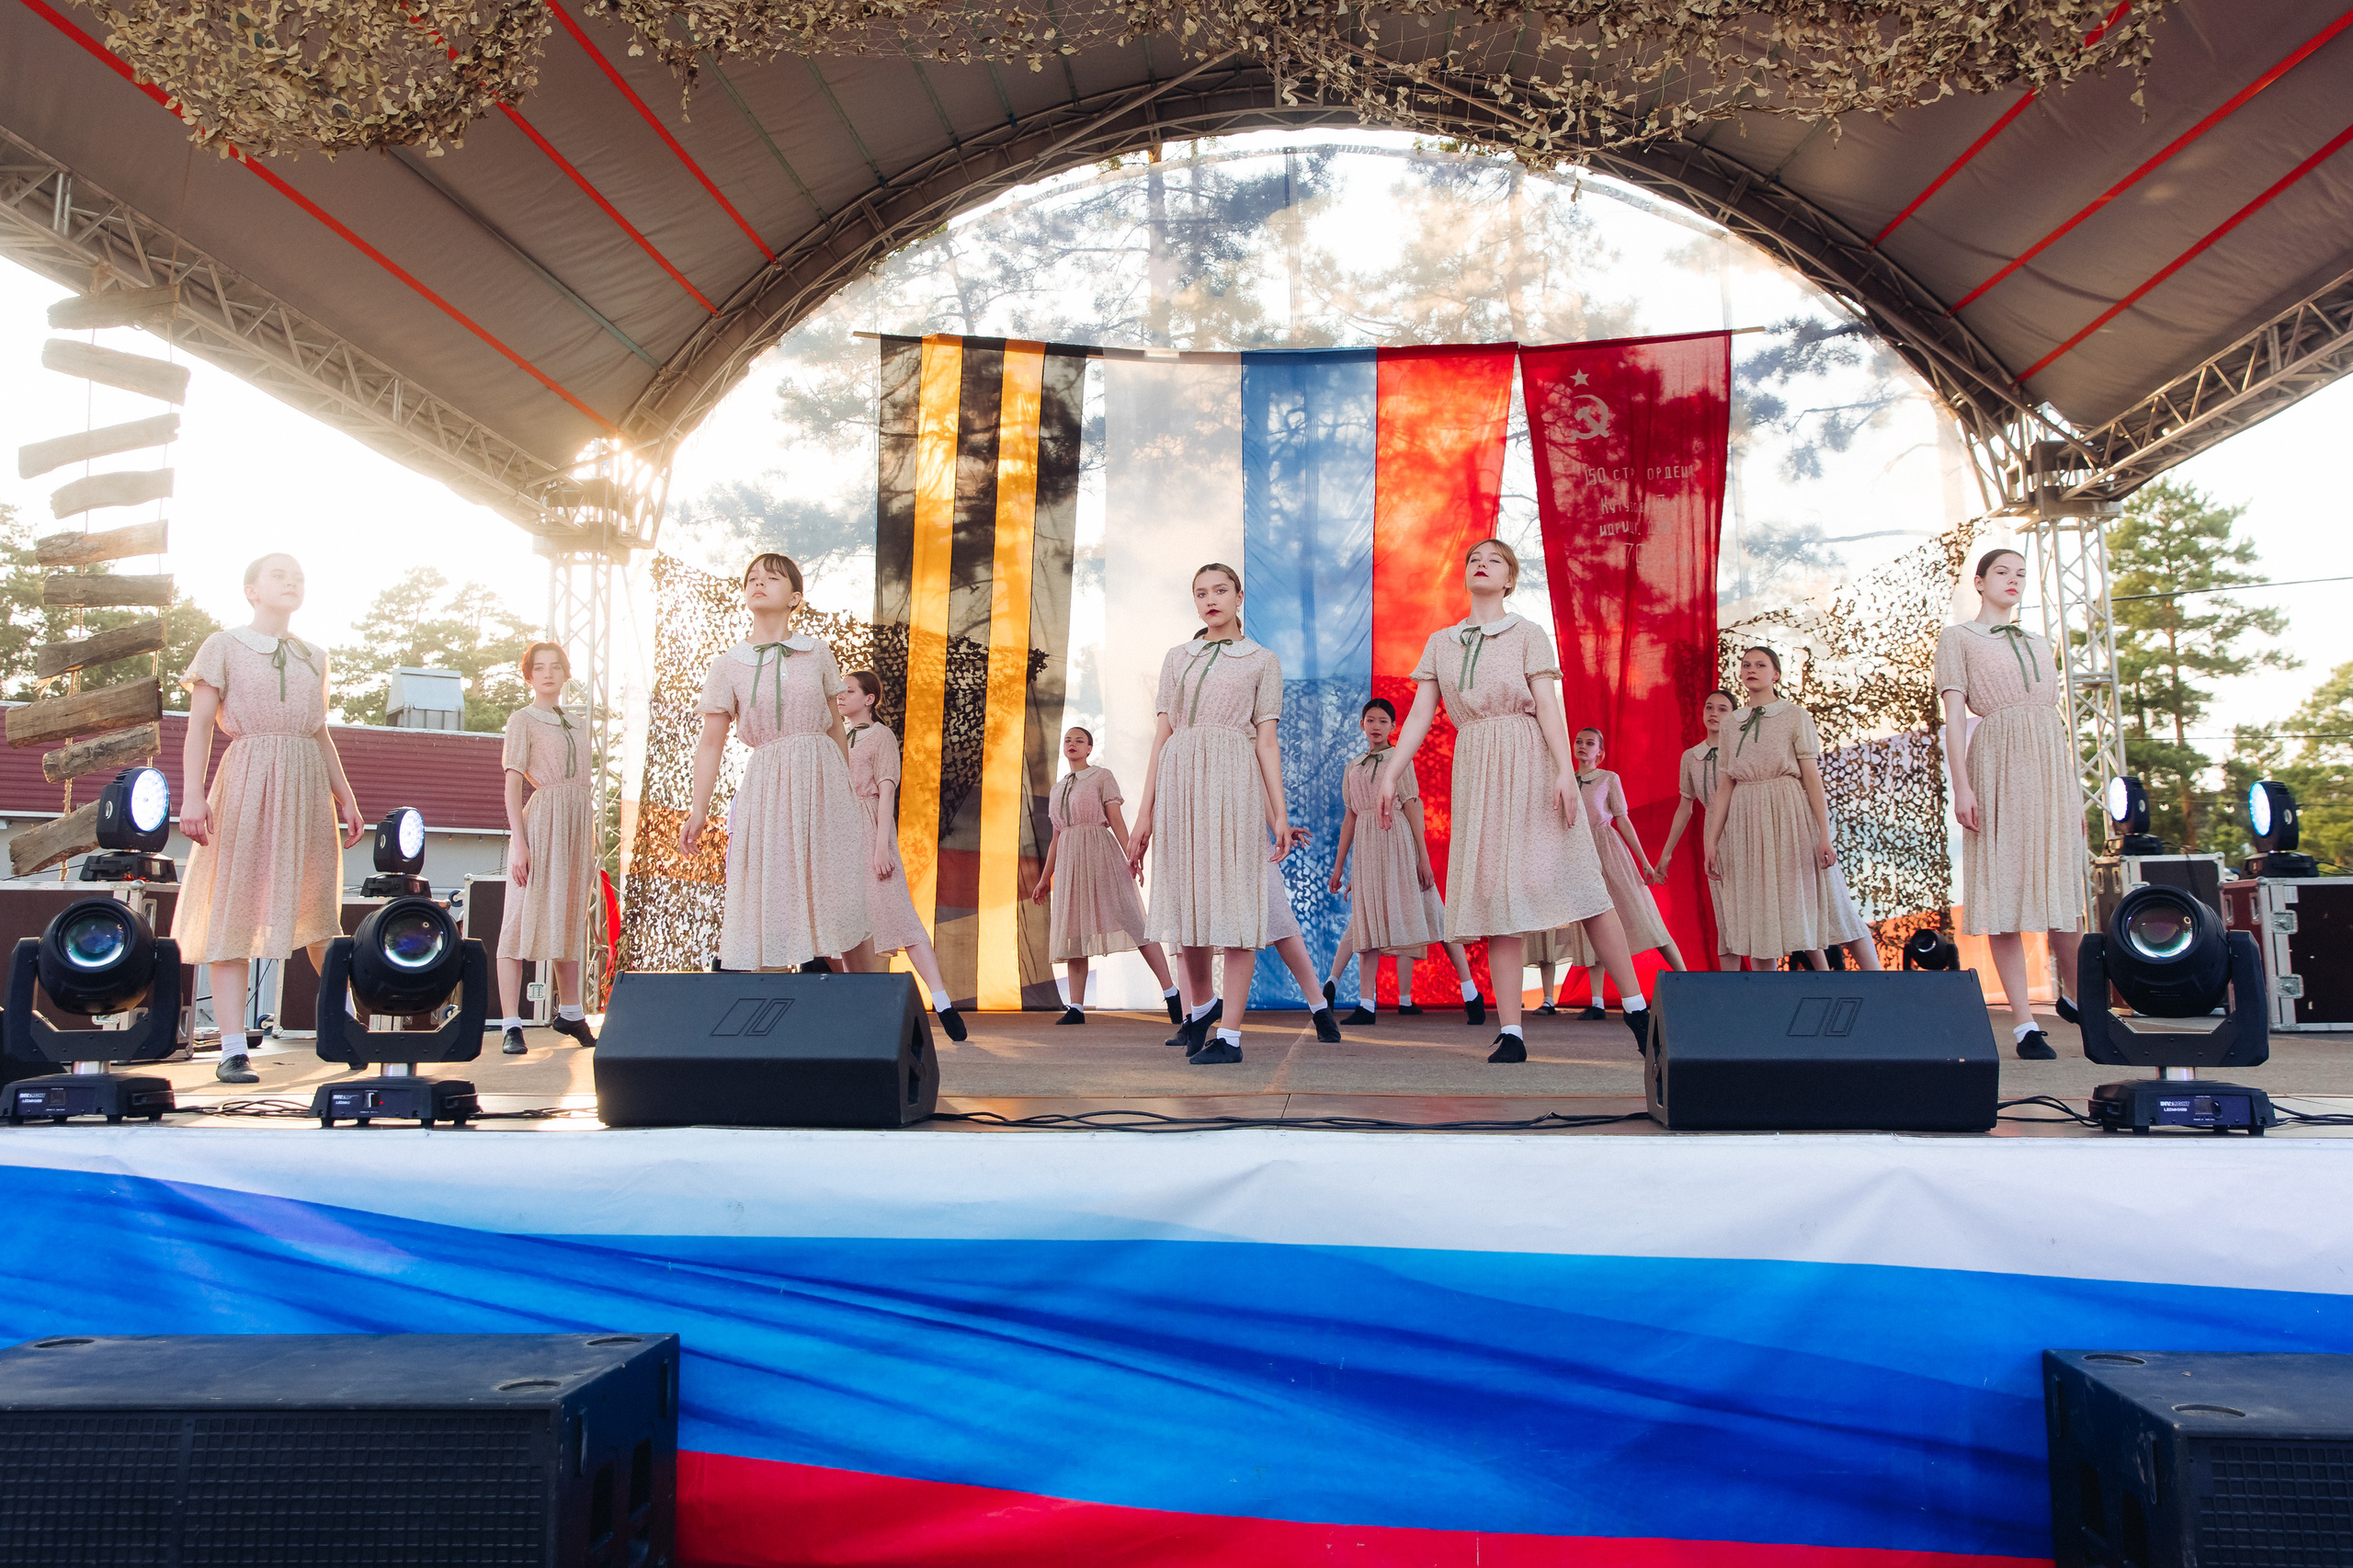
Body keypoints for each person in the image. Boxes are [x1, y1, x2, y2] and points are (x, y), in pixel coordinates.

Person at [1378, 539, 1654, 1062]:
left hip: (1530, 759)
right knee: (1496, 893)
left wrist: (1567, 775)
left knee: (1580, 881)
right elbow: (1419, 716)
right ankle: (1512, 1033)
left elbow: (1549, 707)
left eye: (1495, 559)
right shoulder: (1442, 641)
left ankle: (1638, 1009)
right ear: (1465, 574)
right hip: (1478, 765)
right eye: (1473, 559)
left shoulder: (1527, 633)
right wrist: (1392, 771)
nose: (1481, 564)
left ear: (1509, 579)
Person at [176, 553, 368, 1084]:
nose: (292, 581)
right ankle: (232, 1047)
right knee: (234, 902)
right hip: (248, 777)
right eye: (278, 574)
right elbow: (199, 729)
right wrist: (193, 797)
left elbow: (318, 730)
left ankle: (344, 1023)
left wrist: (345, 796)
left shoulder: (315, 656)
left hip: (307, 786)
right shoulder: (223, 645)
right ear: (251, 590)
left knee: (317, 910)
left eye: (298, 576)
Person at [1126, 563, 1299, 1065]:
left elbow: (1266, 740)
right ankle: (1201, 1007)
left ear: (1239, 596)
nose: (1210, 599)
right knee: (1188, 901)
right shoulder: (1176, 657)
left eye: (1220, 590)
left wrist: (1279, 815)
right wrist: (1145, 814)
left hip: (1232, 779)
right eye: (1200, 592)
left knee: (1237, 901)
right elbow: (1162, 735)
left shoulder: (1262, 660)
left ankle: (1231, 1037)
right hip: (1180, 781)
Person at [679, 553, 875, 975]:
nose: (758, 582)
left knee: (841, 894)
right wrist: (699, 808)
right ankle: (770, 1022)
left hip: (823, 782)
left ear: (796, 597)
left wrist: (845, 786)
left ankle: (871, 1014)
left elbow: (834, 727)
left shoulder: (818, 652)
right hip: (768, 784)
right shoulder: (727, 664)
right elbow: (711, 744)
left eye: (772, 577)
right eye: (751, 577)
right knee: (771, 896)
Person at [1937, 547, 2085, 1059]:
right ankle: (2025, 1024)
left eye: (2021, 574)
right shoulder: (1958, 637)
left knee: (2062, 889)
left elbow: (2054, 723)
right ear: (1979, 582)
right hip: (1997, 761)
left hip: (2047, 765)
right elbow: (1955, 719)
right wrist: (1963, 786)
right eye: (2002, 572)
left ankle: (2084, 1001)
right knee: (2005, 890)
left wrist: (2072, 791)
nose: (2013, 580)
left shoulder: (2040, 642)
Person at [1704, 647, 1882, 973]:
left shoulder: (1795, 715)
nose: (1751, 669)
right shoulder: (1731, 724)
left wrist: (1825, 835)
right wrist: (1712, 840)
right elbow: (1725, 783)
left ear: (1776, 674)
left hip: (1789, 812)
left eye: (1761, 665)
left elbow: (1812, 778)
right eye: (1746, 665)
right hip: (1746, 818)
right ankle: (1768, 1002)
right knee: (1758, 907)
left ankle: (1883, 985)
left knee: (1829, 899)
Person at [1322, 698, 1483, 1027]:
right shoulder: (1353, 767)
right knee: (1366, 923)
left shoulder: (1400, 758)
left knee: (1435, 916)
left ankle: (1470, 992)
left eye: (1383, 721)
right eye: (1371, 720)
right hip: (1368, 848)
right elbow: (1350, 818)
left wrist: (1423, 858)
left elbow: (1411, 805)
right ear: (1362, 724)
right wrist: (1340, 867)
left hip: (1399, 843)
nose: (1376, 726)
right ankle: (1367, 1005)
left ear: (1393, 727)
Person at [836, 670, 969, 1040]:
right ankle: (859, 1010)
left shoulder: (881, 736)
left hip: (869, 827)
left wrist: (881, 846)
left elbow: (886, 792)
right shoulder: (833, 737)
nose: (841, 696)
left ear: (870, 699)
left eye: (850, 691)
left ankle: (942, 1002)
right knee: (846, 924)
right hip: (839, 836)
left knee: (899, 916)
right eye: (839, 690)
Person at [1029, 725, 1181, 1025]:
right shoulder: (1058, 788)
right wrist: (1045, 878)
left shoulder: (1101, 776)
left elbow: (1117, 821)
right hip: (1071, 863)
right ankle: (1076, 1007)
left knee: (1135, 921)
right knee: (1073, 931)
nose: (1072, 744)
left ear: (1089, 748)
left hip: (1100, 854)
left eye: (1079, 740)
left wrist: (1132, 856)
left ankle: (1171, 992)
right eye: (1068, 740)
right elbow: (1057, 838)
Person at [494, 642, 597, 1054]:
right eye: (539, 668)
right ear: (529, 675)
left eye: (556, 667)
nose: (548, 674)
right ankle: (511, 1023)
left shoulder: (577, 722)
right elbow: (512, 784)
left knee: (567, 914)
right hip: (542, 822)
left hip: (576, 823)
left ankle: (571, 1013)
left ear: (566, 673)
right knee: (518, 920)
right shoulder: (522, 720)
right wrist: (519, 842)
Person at [1552, 726, 1687, 1013]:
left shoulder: (1608, 779)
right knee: (1594, 922)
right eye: (1579, 741)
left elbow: (1623, 820)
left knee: (1643, 916)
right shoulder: (1564, 779)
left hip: (1609, 852)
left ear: (1600, 753)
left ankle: (1687, 982)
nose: (1582, 746)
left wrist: (1645, 863)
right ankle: (1597, 1002)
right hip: (1579, 857)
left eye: (1590, 743)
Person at [1656, 688, 1743, 971]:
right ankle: (1731, 995)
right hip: (1714, 838)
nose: (1714, 713)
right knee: (1725, 916)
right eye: (1709, 708)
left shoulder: (1742, 749)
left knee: (1752, 911)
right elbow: (1685, 807)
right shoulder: (1691, 757)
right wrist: (1666, 854)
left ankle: (1767, 989)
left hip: (1744, 828)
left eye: (1722, 709)